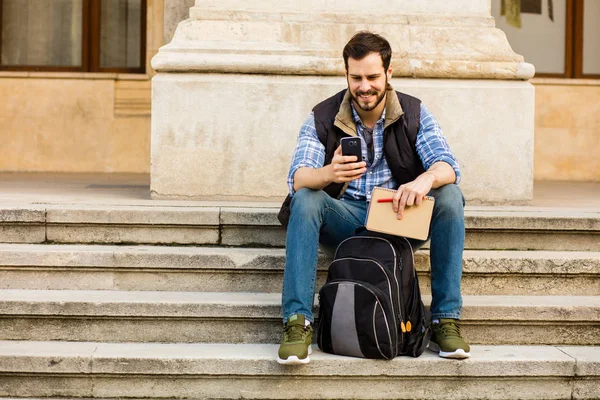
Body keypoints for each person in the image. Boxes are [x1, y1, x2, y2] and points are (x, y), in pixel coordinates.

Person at [276, 31, 470, 365]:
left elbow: (448, 165)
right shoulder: (322, 116)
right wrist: (330, 173)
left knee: (450, 196)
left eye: (372, 77)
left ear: (388, 74)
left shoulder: (414, 112)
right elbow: (298, 177)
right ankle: (298, 322)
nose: (364, 86)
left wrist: (424, 181)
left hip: (398, 215)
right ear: (346, 75)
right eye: (356, 78)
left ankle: (445, 320)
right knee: (306, 199)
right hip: (347, 218)